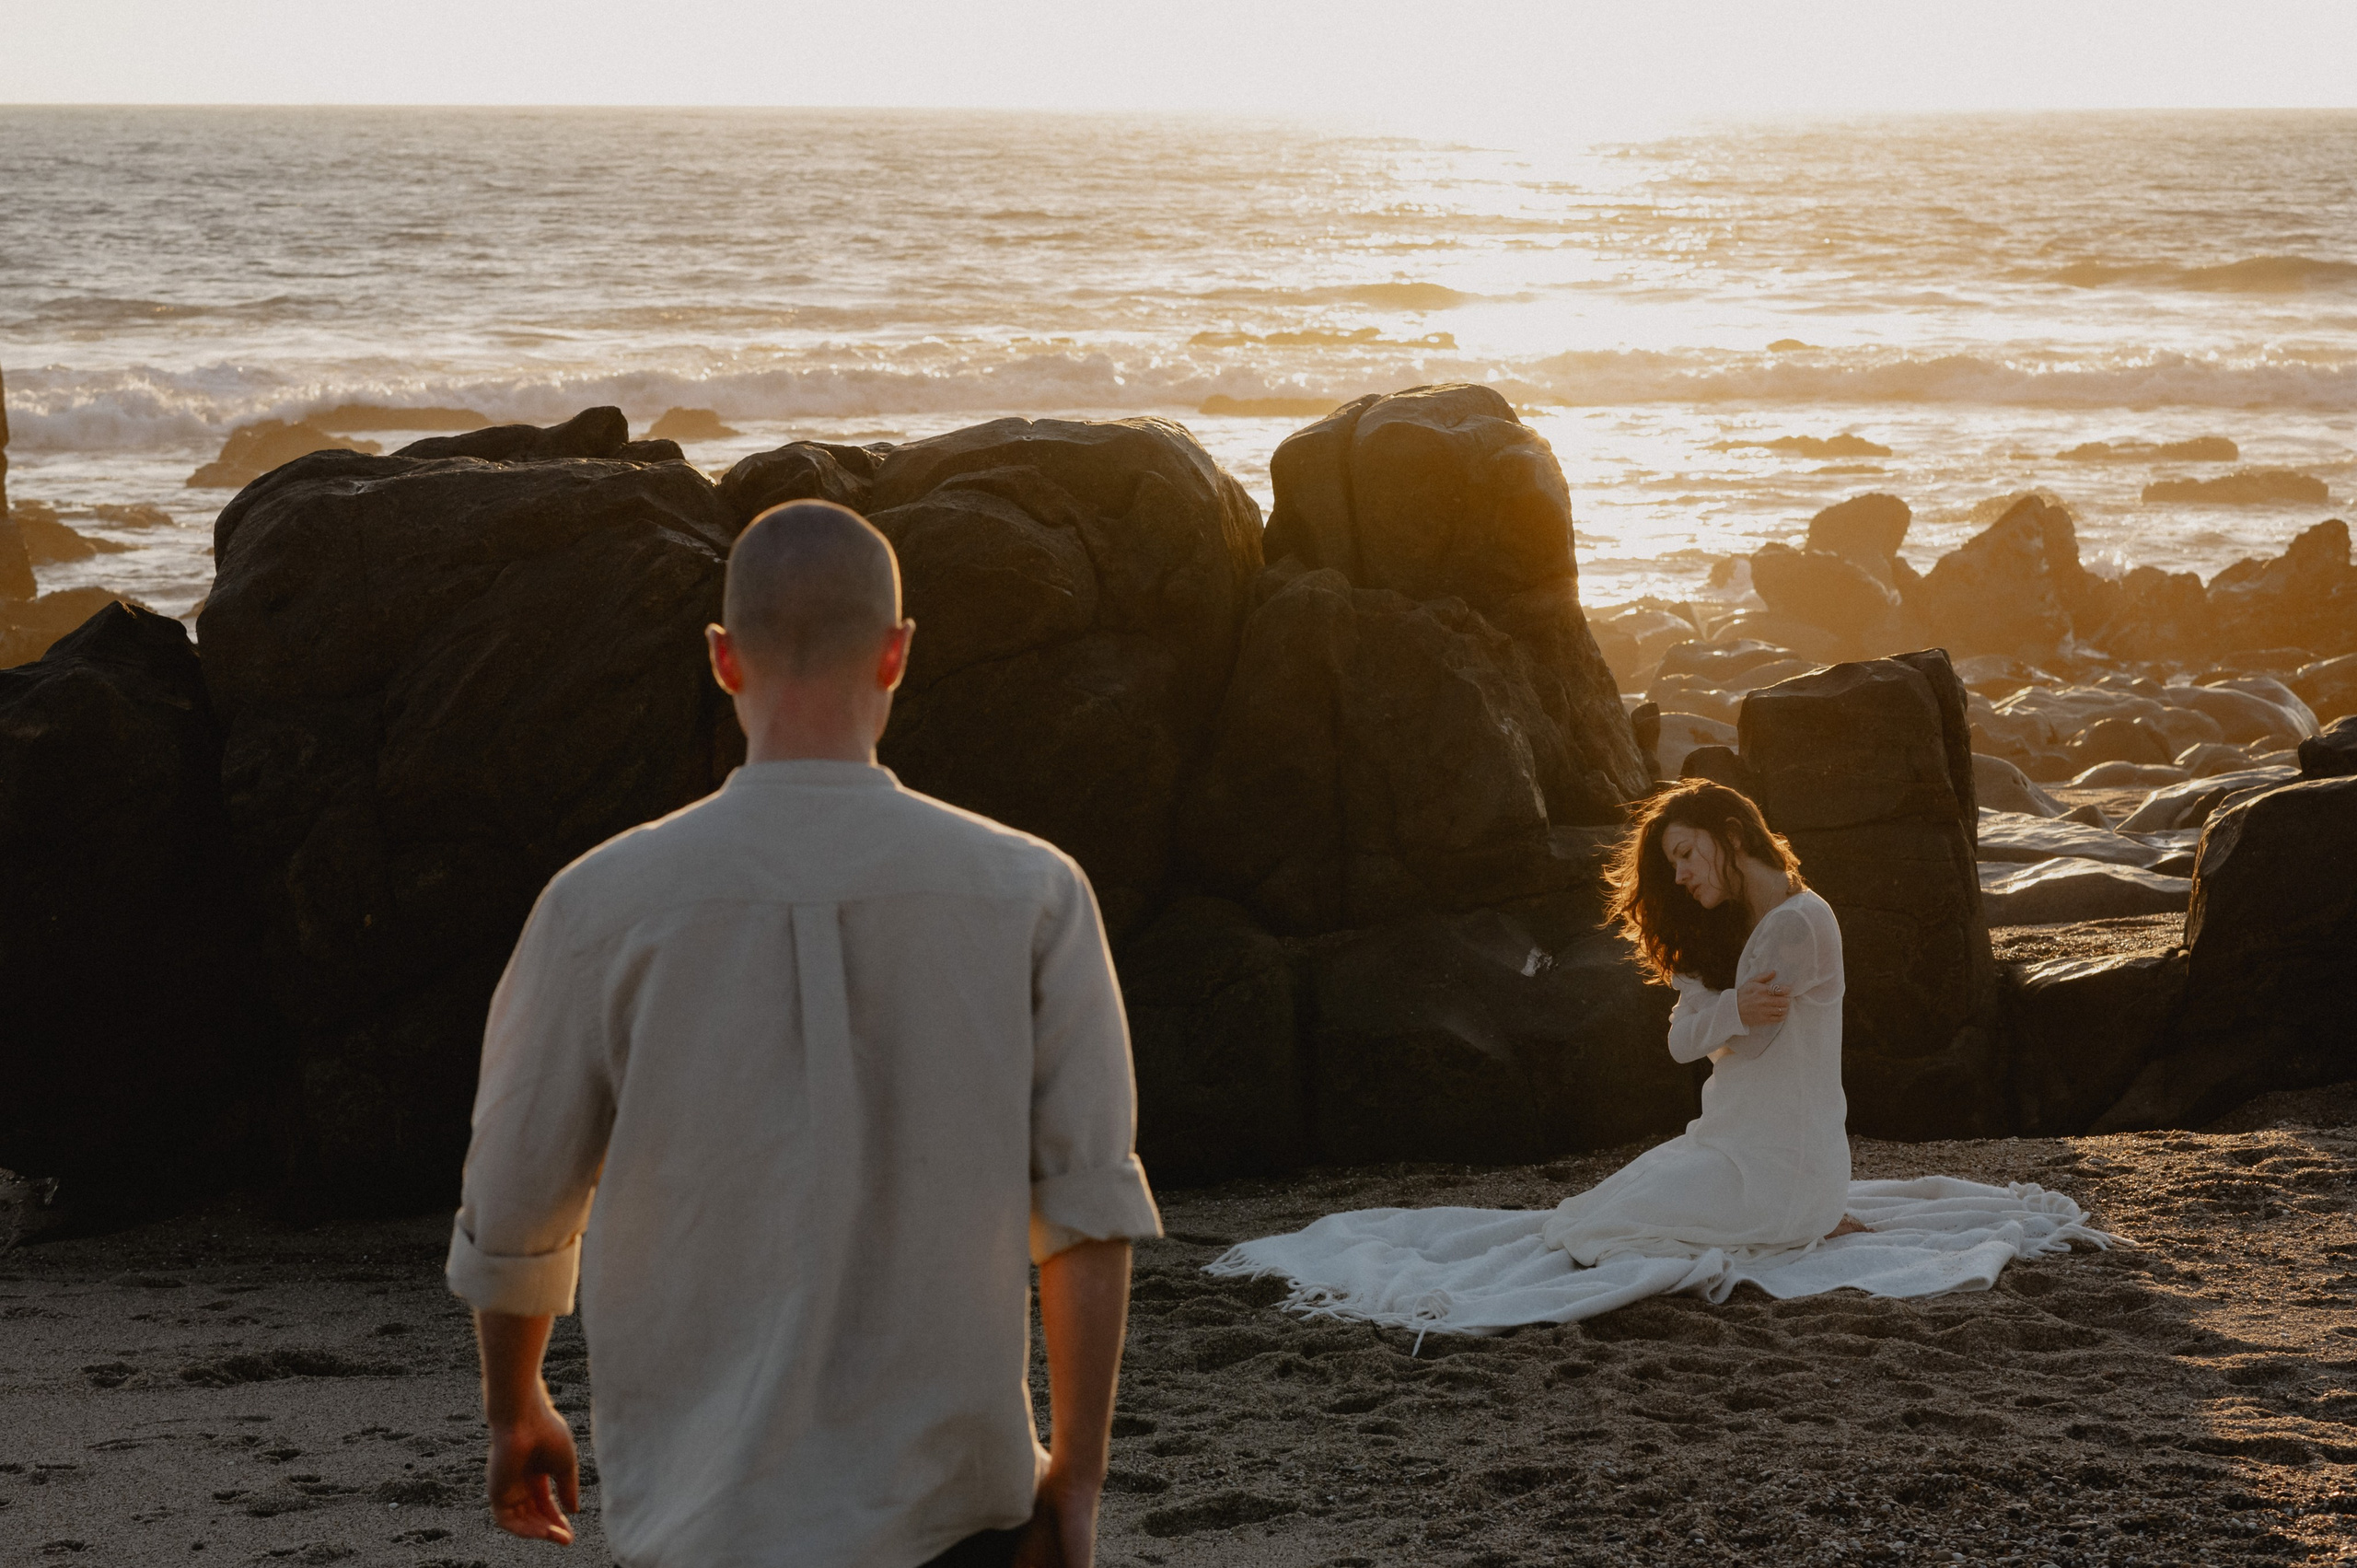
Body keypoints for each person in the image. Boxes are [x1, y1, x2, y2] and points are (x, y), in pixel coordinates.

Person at [444, 499, 1163, 1568]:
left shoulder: (599, 904)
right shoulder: (1031, 891)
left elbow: (513, 1206)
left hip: (704, 1519)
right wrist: (1080, 1478)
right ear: (897, 652)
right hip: (953, 1518)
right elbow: (1087, 1210)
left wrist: (517, 1405)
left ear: (724, 659)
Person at [1541, 777, 1866, 1263]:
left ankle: (1809, 1214)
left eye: (1687, 853)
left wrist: (1716, 1010)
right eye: (1674, 863)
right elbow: (1681, 1043)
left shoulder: (1796, 923)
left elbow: (1750, 1043)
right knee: (1583, 1214)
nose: (1680, 876)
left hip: (1780, 1167)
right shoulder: (1737, 928)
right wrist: (1729, 1005)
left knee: (1601, 1231)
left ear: (1733, 836)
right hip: (1727, 1140)